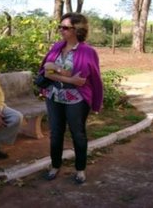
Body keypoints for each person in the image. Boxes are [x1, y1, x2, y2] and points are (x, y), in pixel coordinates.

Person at [38, 13, 103, 184]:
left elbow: (90, 78)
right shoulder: (57, 47)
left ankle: (80, 169)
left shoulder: (88, 52)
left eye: (65, 27)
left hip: (76, 99)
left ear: (77, 29)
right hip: (54, 96)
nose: (61, 30)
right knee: (56, 133)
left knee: (78, 134)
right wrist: (68, 78)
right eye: (60, 27)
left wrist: (57, 70)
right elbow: (46, 72)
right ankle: (55, 165)